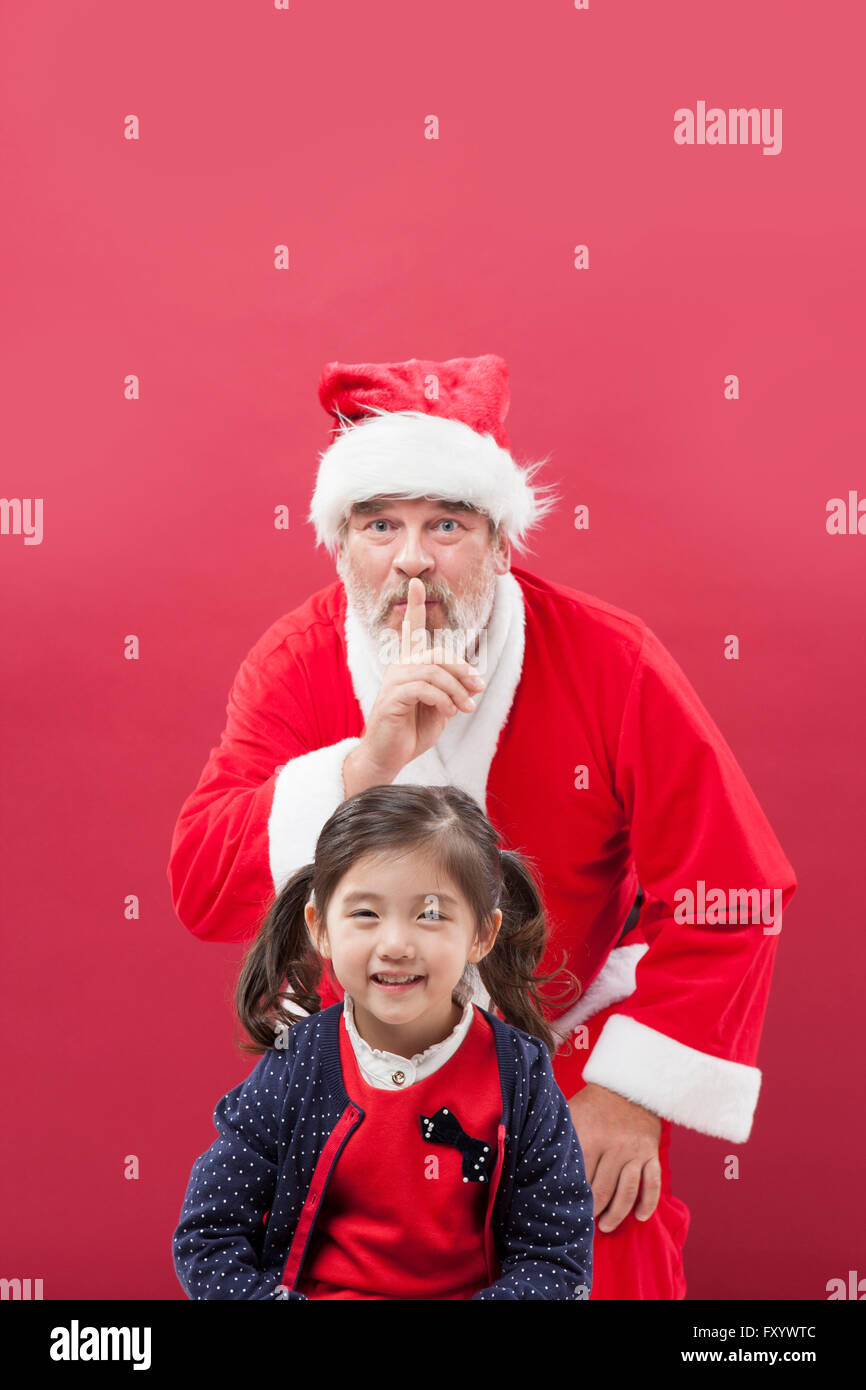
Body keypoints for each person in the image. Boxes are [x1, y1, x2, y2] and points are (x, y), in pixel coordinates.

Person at [167, 353, 798, 1299]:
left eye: (446, 525)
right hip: (362, 1055)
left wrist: (629, 1094)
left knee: (602, 1234)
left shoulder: (611, 660)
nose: (412, 559)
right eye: (381, 525)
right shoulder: (295, 665)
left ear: (503, 543)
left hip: (562, 1045)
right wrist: (361, 768)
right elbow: (202, 890)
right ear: (342, 545)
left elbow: (733, 889)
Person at [172, 782, 594, 1300]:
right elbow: (208, 1235)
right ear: (320, 927)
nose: (396, 945)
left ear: (482, 934)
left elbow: (556, 1259)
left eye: (431, 914)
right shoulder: (295, 1067)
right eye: (366, 914)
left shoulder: (519, 1076)